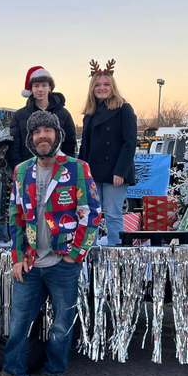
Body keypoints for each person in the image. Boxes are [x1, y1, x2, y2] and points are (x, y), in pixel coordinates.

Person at [0, 110, 101, 376]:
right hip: (31, 263)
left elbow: (92, 213)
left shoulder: (77, 169)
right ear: (30, 138)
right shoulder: (22, 171)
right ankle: (14, 372)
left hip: (64, 263)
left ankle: (54, 372)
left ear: (57, 135)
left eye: (48, 130)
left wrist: (76, 252)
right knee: (19, 321)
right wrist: (17, 257)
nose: (42, 136)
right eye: (37, 132)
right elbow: (16, 216)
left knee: (61, 322)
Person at [78, 60, 137, 246]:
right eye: (98, 85)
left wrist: (120, 170)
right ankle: (90, 250)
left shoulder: (124, 109)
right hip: (93, 172)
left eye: (106, 85)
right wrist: (81, 172)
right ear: (92, 88)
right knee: (91, 213)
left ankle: (116, 250)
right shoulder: (89, 114)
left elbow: (130, 143)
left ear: (113, 87)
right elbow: (85, 147)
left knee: (113, 213)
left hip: (115, 173)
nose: (102, 88)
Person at [8, 65, 77, 168]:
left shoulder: (63, 114)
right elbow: (14, 148)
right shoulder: (19, 116)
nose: (40, 89)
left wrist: (67, 168)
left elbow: (70, 145)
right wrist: (18, 170)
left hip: (58, 171)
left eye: (44, 85)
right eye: (36, 86)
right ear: (31, 89)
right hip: (29, 170)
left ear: (50, 88)